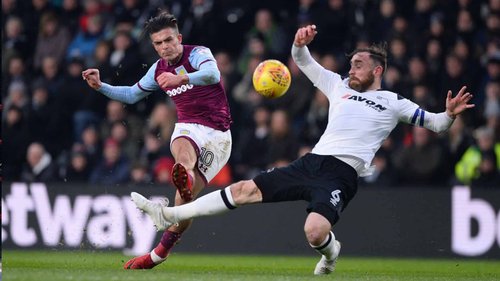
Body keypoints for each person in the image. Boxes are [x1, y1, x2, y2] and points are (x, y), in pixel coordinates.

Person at [130, 24, 474, 275]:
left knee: (314, 232)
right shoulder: (338, 86)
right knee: (243, 189)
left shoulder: (393, 102)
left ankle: (331, 252)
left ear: (377, 70)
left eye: (358, 65)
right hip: (311, 162)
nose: (350, 69)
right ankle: (170, 214)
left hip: (342, 174)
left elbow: (437, 124)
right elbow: (305, 63)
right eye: (351, 63)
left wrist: (450, 114)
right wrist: (298, 44)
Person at [81, 12, 232, 269]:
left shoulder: (197, 54)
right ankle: (184, 176)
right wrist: (101, 87)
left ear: (179, 38)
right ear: (154, 46)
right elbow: (131, 94)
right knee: (183, 154)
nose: (165, 47)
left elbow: (212, 75)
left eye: (169, 40)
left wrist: (182, 78)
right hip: (187, 127)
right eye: (159, 43)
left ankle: (158, 253)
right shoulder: (158, 69)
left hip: (218, 136)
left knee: (184, 207)